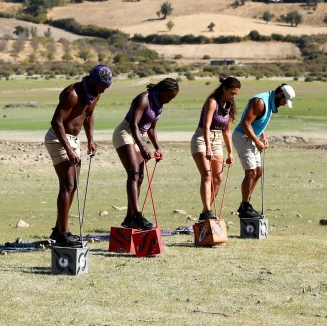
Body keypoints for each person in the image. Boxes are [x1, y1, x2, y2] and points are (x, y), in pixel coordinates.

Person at [45, 64, 113, 247]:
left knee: (73, 185)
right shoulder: (72, 94)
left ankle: (59, 229)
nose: (103, 92)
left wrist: (91, 140)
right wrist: (68, 149)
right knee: (67, 184)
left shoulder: (94, 95)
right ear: (92, 80)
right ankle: (63, 234)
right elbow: (56, 122)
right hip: (58, 139)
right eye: (102, 87)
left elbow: (89, 116)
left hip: (73, 140)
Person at [114, 78, 179, 230]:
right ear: (162, 90)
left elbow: (151, 129)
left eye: (173, 98)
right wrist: (143, 147)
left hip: (138, 137)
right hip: (125, 133)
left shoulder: (159, 105)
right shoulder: (144, 98)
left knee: (140, 177)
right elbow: (133, 124)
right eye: (169, 96)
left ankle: (129, 218)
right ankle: (137, 215)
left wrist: (158, 147)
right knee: (133, 173)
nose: (169, 100)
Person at [232, 84, 295, 219]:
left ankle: (246, 204)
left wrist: (263, 137)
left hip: (252, 138)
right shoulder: (259, 101)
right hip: (242, 137)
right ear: (280, 95)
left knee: (258, 172)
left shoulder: (270, 102)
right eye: (285, 101)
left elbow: (258, 122)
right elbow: (245, 124)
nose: (284, 104)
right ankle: (244, 207)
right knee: (251, 172)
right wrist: (257, 141)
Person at [191, 77, 240, 221]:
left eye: (236, 94)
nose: (234, 96)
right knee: (207, 175)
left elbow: (226, 131)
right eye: (232, 93)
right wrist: (208, 148)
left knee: (218, 178)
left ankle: (205, 212)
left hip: (217, 140)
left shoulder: (229, 105)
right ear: (224, 89)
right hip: (201, 139)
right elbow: (206, 126)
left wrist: (230, 152)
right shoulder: (212, 102)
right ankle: (207, 210)